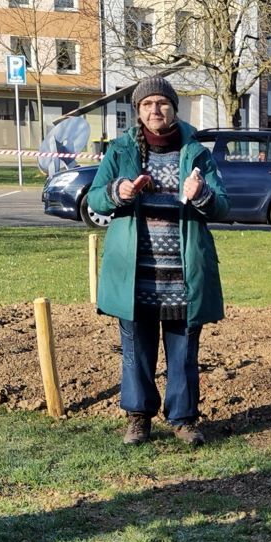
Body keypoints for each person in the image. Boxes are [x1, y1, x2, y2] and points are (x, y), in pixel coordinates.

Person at [86, 76, 229, 447]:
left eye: (162, 104)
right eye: (147, 105)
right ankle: (138, 417)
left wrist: (202, 194)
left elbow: (224, 204)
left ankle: (182, 419)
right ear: (138, 111)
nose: (155, 110)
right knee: (137, 349)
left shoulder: (197, 152)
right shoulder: (120, 151)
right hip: (135, 274)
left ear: (173, 108)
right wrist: (117, 191)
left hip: (184, 275)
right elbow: (95, 200)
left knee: (183, 353)